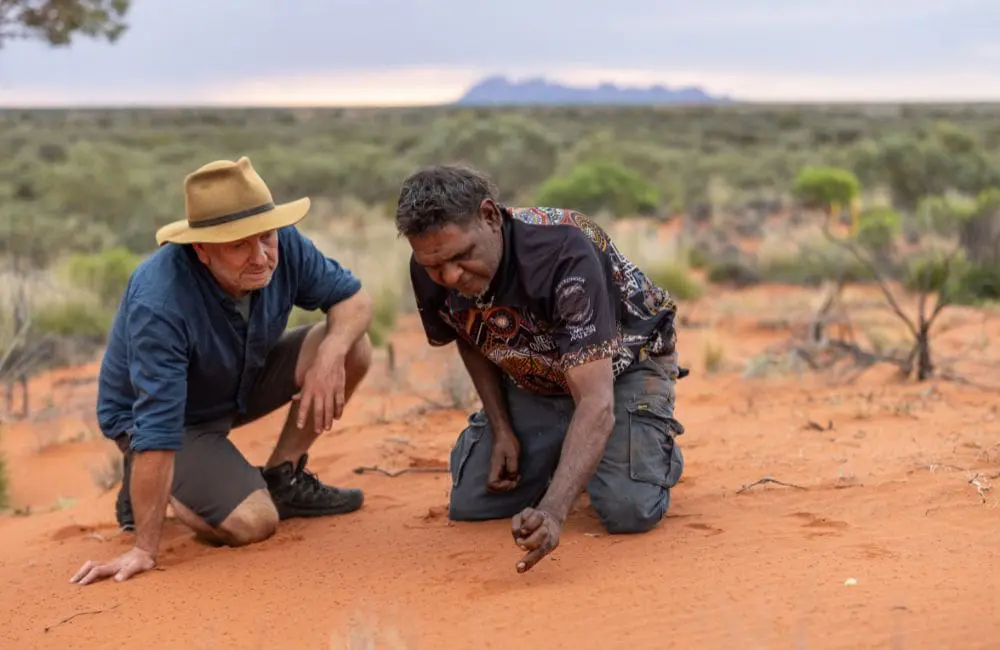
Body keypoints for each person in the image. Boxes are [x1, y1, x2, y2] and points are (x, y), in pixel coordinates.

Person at [71, 156, 374, 586]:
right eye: (238, 246)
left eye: (266, 237)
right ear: (202, 249)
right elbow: (158, 424)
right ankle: (155, 484)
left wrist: (331, 354)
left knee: (352, 347)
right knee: (255, 521)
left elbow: (355, 301)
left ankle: (283, 478)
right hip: (166, 418)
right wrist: (144, 548)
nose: (261, 257)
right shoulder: (160, 301)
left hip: (236, 379)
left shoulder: (282, 244)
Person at [396, 164, 687, 575]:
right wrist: (501, 426)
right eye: (434, 266)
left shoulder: (564, 251)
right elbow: (467, 334)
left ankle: (647, 444)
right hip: (537, 373)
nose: (451, 276)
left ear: (490, 216)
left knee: (628, 507)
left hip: (623, 368)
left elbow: (596, 400)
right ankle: (574, 445)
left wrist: (553, 510)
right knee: (473, 503)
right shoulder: (431, 266)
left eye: (462, 256)